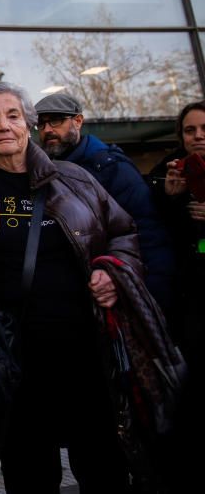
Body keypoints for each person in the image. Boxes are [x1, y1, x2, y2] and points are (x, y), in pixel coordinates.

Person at [0, 82, 141, 494]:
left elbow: (124, 232)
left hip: (84, 352)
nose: (4, 125)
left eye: (13, 116)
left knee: (103, 464)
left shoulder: (75, 180)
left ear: (28, 124)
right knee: (29, 471)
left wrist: (114, 272)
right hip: (9, 359)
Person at [34, 92, 176, 314]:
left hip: (121, 293)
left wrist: (151, 300)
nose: (48, 130)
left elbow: (146, 231)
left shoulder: (111, 167)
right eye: (41, 124)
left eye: (56, 120)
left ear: (78, 121)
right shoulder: (46, 173)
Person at [148, 100, 205, 491]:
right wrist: (168, 198)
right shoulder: (168, 173)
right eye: (190, 130)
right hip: (191, 301)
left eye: (204, 129)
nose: (198, 136)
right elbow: (156, 236)